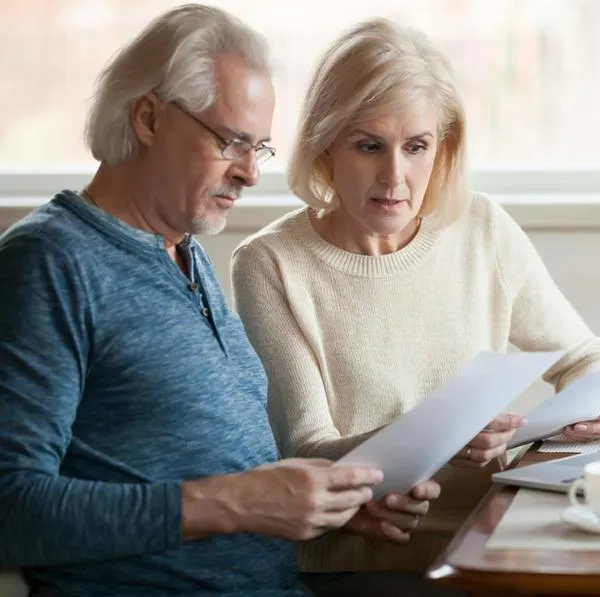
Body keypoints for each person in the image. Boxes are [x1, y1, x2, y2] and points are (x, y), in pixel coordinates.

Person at [0, 6, 444, 597]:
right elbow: (11, 509)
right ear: (150, 118)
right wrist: (235, 502)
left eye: (258, 148)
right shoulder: (49, 263)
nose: (250, 174)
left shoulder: (184, 254)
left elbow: (203, 480)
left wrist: (321, 509)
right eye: (232, 141)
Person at [231, 17, 600, 596]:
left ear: (442, 146)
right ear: (326, 144)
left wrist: (548, 437)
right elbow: (308, 449)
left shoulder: (482, 228)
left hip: (486, 545)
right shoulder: (271, 263)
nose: (394, 177)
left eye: (416, 146)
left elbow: (585, 360)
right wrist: (443, 434)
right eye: (368, 145)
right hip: (359, 564)